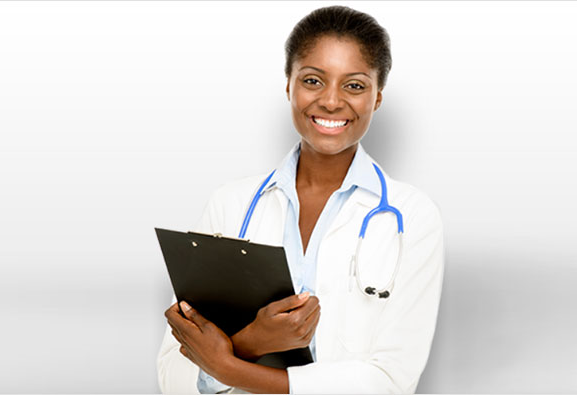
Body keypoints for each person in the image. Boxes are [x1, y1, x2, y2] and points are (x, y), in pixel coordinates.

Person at [157, 5, 445, 394]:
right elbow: (172, 378)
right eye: (313, 80)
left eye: (355, 85)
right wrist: (254, 342)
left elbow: (390, 381)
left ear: (377, 98)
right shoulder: (231, 203)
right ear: (288, 85)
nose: (330, 101)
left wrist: (228, 362)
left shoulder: (412, 216)